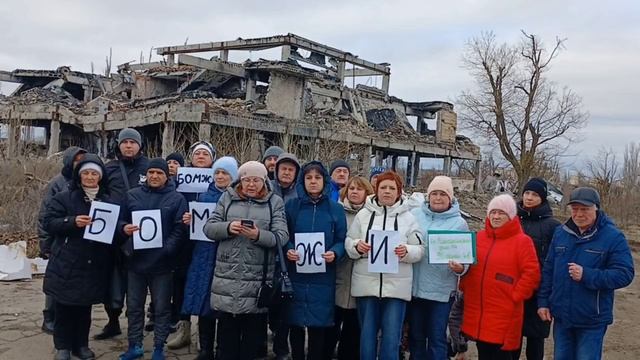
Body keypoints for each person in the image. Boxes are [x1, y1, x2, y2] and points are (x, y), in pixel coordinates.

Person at [203, 161, 289, 360]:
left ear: (264, 181)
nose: (251, 184)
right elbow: (209, 228)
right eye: (247, 180)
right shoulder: (227, 197)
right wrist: (228, 227)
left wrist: (258, 235)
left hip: (257, 282)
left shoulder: (273, 202)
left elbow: (281, 236)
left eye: (256, 180)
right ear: (240, 180)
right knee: (226, 342)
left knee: (251, 344)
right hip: (227, 278)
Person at [537, 187, 634, 360]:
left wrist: (587, 275)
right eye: (575, 209)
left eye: (585, 209)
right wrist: (543, 302)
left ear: (596, 208)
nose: (579, 214)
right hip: (562, 317)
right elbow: (549, 270)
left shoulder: (613, 237)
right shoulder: (561, 233)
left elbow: (624, 274)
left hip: (591, 320)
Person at [43, 154, 117, 360]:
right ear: (79, 175)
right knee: (64, 306)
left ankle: (81, 345)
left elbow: (113, 229)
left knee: (84, 307)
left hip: (94, 261)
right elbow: (49, 223)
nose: (90, 177)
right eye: (86, 173)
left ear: (100, 177)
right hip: (68, 259)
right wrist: (72, 221)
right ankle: (63, 347)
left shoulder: (106, 200)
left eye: (94, 173)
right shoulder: (65, 197)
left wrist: (123, 229)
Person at [345, 171, 425, 360]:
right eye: (383, 187)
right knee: (367, 336)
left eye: (392, 188)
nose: (387, 192)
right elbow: (349, 242)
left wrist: (407, 251)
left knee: (391, 337)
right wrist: (357, 246)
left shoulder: (409, 218)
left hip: (396, 288)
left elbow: (420, 249)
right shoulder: (363, 215)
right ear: (376, 190)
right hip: (366, 286)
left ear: (399, 192)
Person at [118, 158, 188, 360]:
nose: (155, 176)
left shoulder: (176, 199)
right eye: (151, 173)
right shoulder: (132, 195)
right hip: (136, 262)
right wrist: (124, 228)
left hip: (162, 264)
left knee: (162, 308)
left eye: (159, 173)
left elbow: (179, 229)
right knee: (133, 307)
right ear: (146, 175)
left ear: (167, 176)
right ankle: (135, 346)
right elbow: (120, 220)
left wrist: (167, 249)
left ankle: (159, 347)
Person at [461, 194, 540, 360]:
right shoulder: (479, 237)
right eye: (493, 212)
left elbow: (532, 274)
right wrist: (462, 277)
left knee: (501, 354)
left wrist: (515, 295)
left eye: (501, 213)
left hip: (504, 313)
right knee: (484, 352)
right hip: (479, 310)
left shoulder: (522, 241)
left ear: (511, 216)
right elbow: (468, 266)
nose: (496, 216)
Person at [284, 161, 347, 360]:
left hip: (323, 276)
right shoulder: (292, 206)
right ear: (302, 181)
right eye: (309, 178)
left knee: (318, 326)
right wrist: (289, 250)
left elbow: (341, 239)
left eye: (317, 178)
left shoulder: (335, 209)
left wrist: (335, 253)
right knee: (295, 324)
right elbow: (283, 235)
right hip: (297, 273)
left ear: (324, 180)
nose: (313, 182)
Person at [180, 156, 238, 360]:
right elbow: (197, 226)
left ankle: (222, 347)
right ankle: (205, 348)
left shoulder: (237, 198)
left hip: (227, 255)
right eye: (218, 173)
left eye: (225, 173)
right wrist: (189, 220)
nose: (220, 176)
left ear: (234, 176)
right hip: (203, 254)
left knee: (223, 305)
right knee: (204, 302)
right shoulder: (203, 196)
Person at [163, 141, 216, 351]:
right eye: (197, 154)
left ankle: (207, 336)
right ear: (191, 158)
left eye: (205, 153)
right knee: (181, 285)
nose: (201, 157)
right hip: (184, 240)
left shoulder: (219, 178)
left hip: (208, 242)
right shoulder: (179, 180)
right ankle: (183, 329)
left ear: (212, 158)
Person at [409, 176, 469, 360]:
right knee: (416, 338)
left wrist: (460, 268)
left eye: (443, 194)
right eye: (434, 193)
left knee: (437, 338)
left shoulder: (459, 223)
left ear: (450, 198)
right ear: (428, 196)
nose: (437, 198)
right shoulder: (414, 215)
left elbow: (465, 259)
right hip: (415, 289)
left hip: (441, 293)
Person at [98, 127, 149, 340]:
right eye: (125, 142)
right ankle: (113, 320)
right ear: (118, 145)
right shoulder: (108, 169)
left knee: (137, 281)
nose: (129, 146)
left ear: (140, 145)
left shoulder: (149, 168)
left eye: (133, 142)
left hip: (141, 231)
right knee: (111, 279)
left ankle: (136, 325)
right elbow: (99, 194)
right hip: (113, 232)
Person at [37, 146, 86, 334]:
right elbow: (45, 216)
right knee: (55, 282)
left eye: (83, 159)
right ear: (68, 161)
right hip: (58, 242)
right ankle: (49, 317)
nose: (80, 163)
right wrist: (45, 243)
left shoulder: (86, 183)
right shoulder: (57, 183)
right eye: (76, 160)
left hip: (78, 244)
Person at [325, 176, 374, 360]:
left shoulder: (373, 216)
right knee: (331, 326)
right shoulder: (336, 211)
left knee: (353, 331)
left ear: (367, 193)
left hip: (361, 279)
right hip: (338, 276)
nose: (354, 191)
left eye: (359, 189)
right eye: (351, 188)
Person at [514, 178, 561, 360]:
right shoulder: (512, 220)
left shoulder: (553, 226)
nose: (529, 198)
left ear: (542, 198)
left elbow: (556, 259)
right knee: (513, 336)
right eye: (527, 193)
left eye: (534, 194)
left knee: (536, 339)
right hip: (515, 287)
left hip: (539, 290)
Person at [268, 152, 301, 359]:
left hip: (290, 256)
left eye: (291, 169)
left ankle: (281, 347)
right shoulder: (267, 189)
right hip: (267, 254)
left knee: (285, 306)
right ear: (276, 170)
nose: (287, 172)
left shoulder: (300, 194)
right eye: (283, 169)